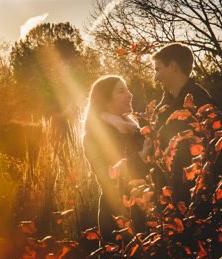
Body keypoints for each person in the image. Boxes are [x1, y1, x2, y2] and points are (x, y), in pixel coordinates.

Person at [82, 76, 149, 241]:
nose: (130, 94)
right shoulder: (93, 137)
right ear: (105, 100)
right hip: (116, 215)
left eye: (127, 89)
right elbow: (107, 176)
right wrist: (139, 158)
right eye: (121, 91)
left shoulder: (135, 129)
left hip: (147, 209)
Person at [150, 43, 213, 205]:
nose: (155, 77)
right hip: (170, 195)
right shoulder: (166, 104)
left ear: (173, 67)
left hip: (195, 197)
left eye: (158, 69)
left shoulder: (199, 101)